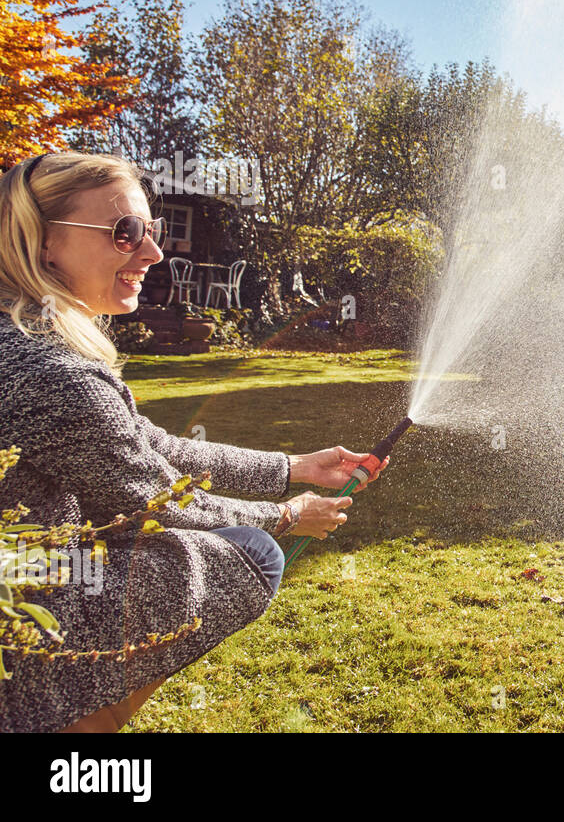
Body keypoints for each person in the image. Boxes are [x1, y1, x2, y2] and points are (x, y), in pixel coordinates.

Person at [0, 151, 388, 733]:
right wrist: (286, 516)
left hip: (32, 579)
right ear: (44, 241)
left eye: (150, 231)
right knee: (252, 552)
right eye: (125, 232)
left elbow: (147, 446)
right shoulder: (53, 373)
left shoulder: (23, 335)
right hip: (27, 616)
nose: (152, 253)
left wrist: (294, 466)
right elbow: (161, 501)